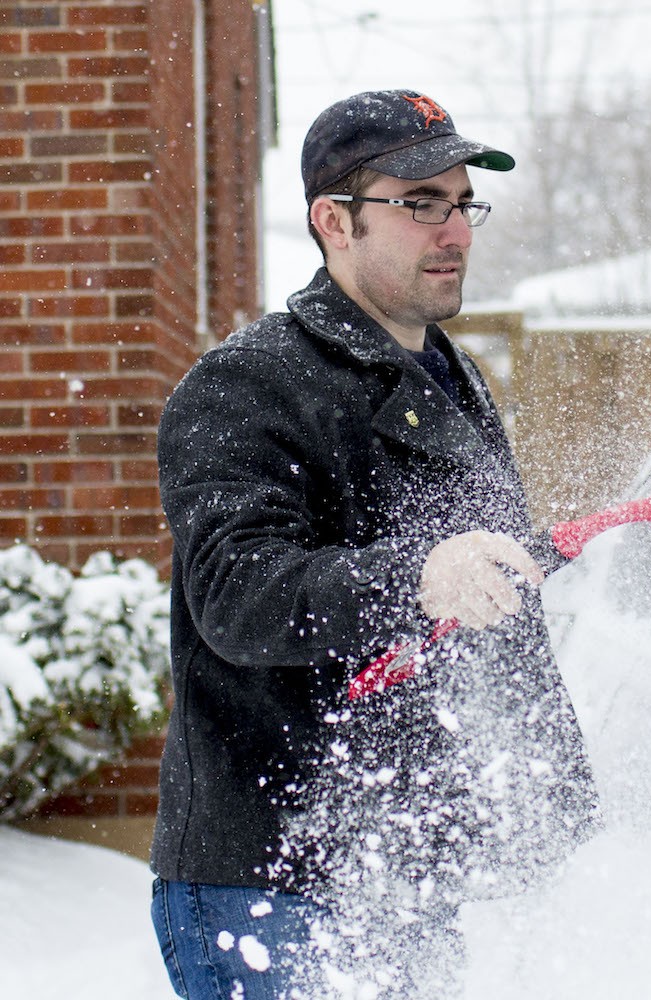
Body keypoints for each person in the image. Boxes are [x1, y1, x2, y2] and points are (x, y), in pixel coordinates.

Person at [148, 90, 599, 1000]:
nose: (456, 231)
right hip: (277, 884)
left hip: (421, 874)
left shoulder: (451, 374)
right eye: (419, 202)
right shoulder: (246, 383)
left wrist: (562, 819)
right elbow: (238, 593)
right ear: (334, 222)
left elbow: (490, 618)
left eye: (462, 202)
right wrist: (421, 577)